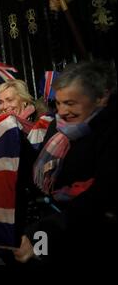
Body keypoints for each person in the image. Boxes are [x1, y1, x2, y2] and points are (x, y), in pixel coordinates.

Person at [14, 61, 117, 265]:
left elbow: (102, 196)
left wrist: (40, 235)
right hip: (56, 234)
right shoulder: (57, 126)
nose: (62, 111)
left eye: (70, 103)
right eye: (58, 103)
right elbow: (40, 177)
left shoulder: (111, 132)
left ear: (101, 98)